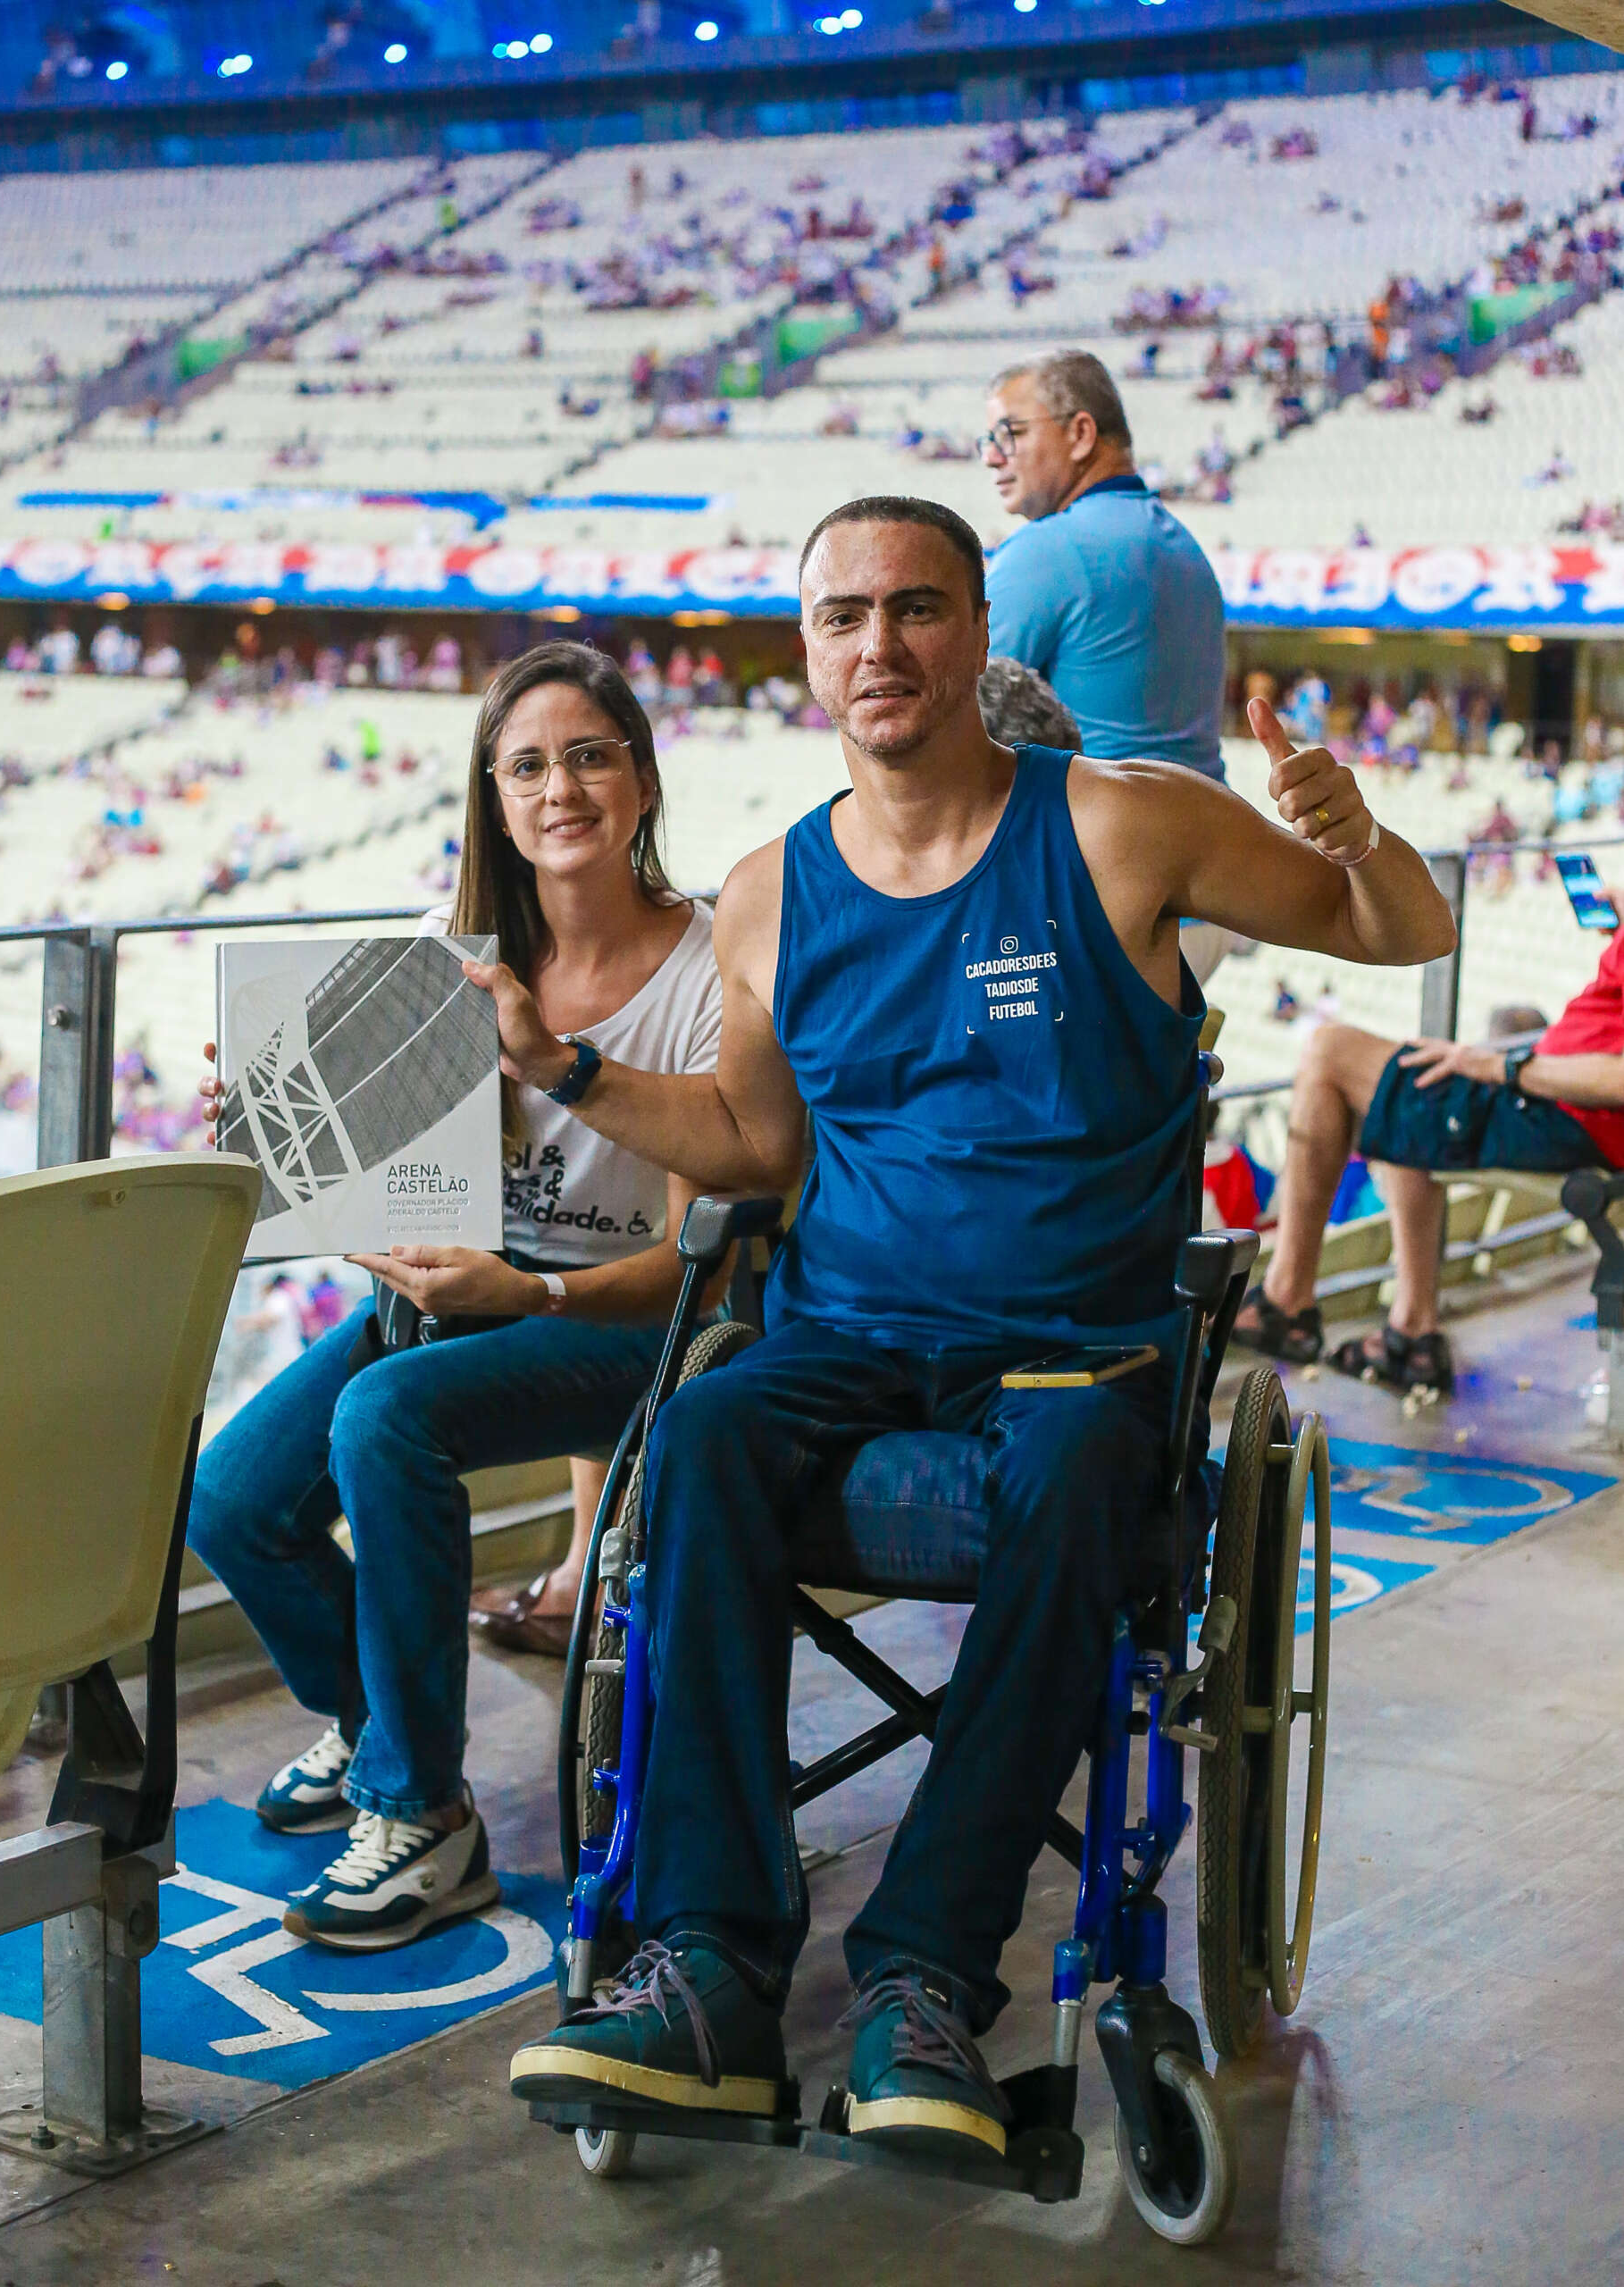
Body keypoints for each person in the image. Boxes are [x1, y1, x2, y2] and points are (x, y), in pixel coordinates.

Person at [479, 497, 1453, 2156]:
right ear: (807, 652)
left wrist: (1355, 832)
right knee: (702, 1429)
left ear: (978, 625)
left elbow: (1405, 931)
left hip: (1073, 1344)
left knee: (1080, 1462)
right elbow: (759, 1146)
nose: (880, 645)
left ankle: (922, 1972)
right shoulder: (770, 889)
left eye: (916, 608)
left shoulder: (1126, 824)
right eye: (844, 616)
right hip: (849, 1333)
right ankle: (709, 1959)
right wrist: (564, 1071)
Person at [186, 641, 724, 1951]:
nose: (560, 788)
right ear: (493, 797)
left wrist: (529, 1289)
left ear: (643, 781)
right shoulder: (452, 958)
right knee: (232, 1498)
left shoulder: (707, 977)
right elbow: (389, 1186)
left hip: (625, 1330)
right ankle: (379, 1739)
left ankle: (425, 1816)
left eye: (590, 755)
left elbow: (692, 1269)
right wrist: (274, 1121)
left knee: (385, 1420)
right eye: (527, 765)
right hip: (471, 1304)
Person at [1234, 945, 1624, 1395]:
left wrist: (1500, 1065)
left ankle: (1286, 1301)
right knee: (1406, 1096)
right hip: (1560, 1103)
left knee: (1330, 1050)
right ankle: (1413, 1333)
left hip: (1567, 1115)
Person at [978, 349, 1234, 982]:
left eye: (1009, 433)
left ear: (1081, 432)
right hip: (1204, 900)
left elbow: (950, 721)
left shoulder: (1047, 550)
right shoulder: (1183, 545)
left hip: (1104, 901)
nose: (991, 456)